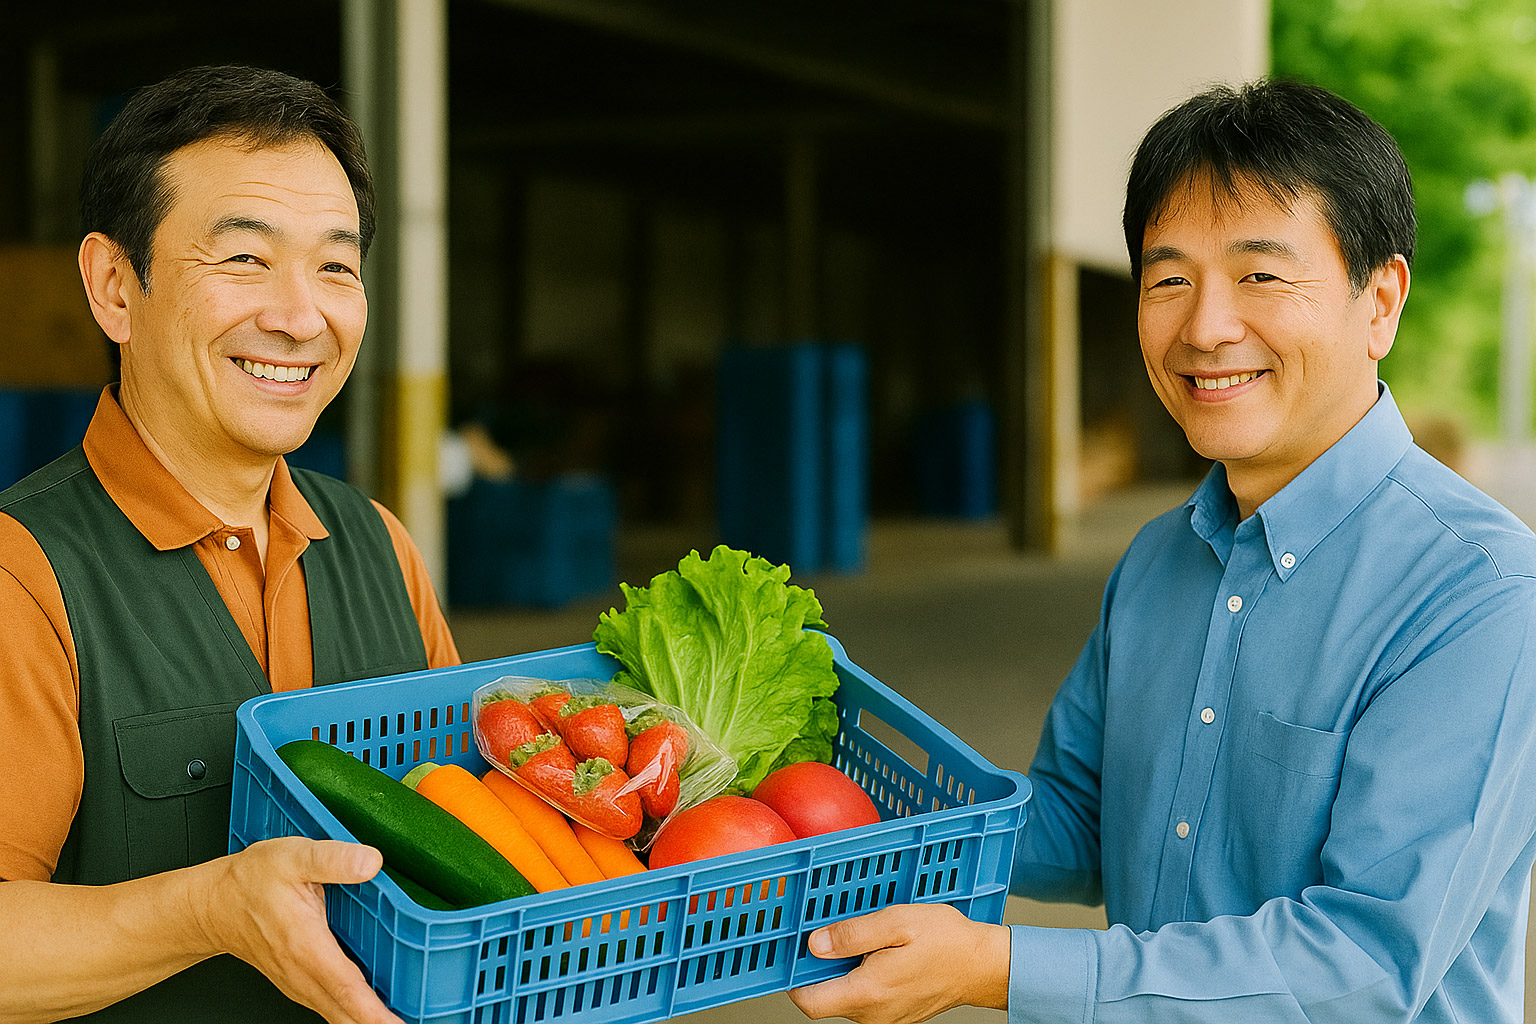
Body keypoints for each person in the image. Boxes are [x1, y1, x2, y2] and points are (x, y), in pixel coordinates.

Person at [791, 79, 1536, 1023]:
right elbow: (1077, 822)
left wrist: (1000, 969)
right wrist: (829, 810)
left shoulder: (1482, 594)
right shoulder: (1157, 558)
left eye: (1261, 275)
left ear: (1380, 299)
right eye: (1168, 278)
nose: (1206, 327)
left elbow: (1363, 965)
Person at [0, 65, 459, 1023]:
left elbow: (481, 839)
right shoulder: (26, 574)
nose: (301, 317)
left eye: (336, 266)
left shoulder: (379, 546)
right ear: (115, 287)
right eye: (245, 260)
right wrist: (208, 909)